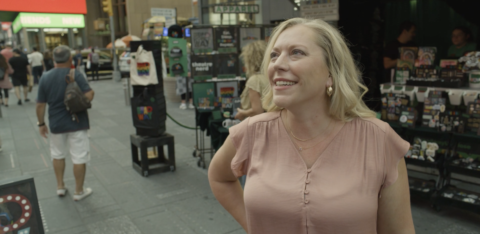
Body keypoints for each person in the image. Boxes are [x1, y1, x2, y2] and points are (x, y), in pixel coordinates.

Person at [208, 18, 415, 234]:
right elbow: (219, 177)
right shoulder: (252, 131)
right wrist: (253, 227)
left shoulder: (379, 141)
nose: (278, 64)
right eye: (274, 55)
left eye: (297, 52)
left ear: (331, 73)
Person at [36, 45, 95, 201]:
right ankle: (78, 191)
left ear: (53, 60)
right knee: (79, 157)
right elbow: (89, 93)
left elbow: (40, 104)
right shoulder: (75, 74)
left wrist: (41, 124)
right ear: (70, 59)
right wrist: (79, 103)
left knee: (57, 155)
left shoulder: (45, 77)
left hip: (56, 124)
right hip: (77, 122)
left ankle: (60, 186)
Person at [234, 40, 270, 120]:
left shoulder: (255, 80)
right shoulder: (270, 76)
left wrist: (242, 113)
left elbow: (257, 111)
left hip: (257, 125)